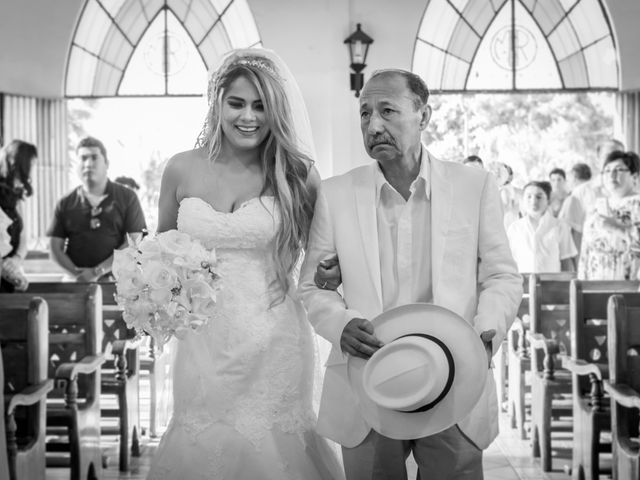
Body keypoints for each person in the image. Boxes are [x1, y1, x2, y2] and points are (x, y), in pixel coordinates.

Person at [299, 69, 522, 480]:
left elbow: (502, 277)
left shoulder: (474, 186)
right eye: (364, 114)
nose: (373, 125)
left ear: (425, 116)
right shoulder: (335, 194)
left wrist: (487, 331)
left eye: (387, 111)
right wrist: (341, 325)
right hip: (367, 378)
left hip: (454, 375)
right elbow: (313, 286)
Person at [148, 48, 343, 480]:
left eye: (261, 106)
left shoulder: (296, 173)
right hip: (203, 341)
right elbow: (161, 250)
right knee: (202, 437)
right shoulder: (180, 169)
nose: (248, 117)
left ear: (276, 111)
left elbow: (327, 255)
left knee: (276, 447)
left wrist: (333, 273)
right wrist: (150, 294)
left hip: (274, 335)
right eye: (237, 103)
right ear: (217, 102)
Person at [48, 136, 147, 282]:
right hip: (75, 281)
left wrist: (98, 271)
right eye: (83, 158)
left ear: (106, 163)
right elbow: (55, 249)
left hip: (117, 281)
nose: (88, 164)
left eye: (94, 157)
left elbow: (134, 241)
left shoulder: (127, 197)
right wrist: (78, 275)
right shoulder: (65, 203)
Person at [578, 150, 640, 280]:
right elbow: (585, 252)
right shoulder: (595, 208)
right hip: (596, 284)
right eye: (607, 171)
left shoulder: (637, 203)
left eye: (618, 170)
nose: (611, 175)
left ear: (634, 176)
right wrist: (582, 285)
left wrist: (619, 229)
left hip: (630, 284)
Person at [507, 180, 577, 273]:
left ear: (548, 200)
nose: (533, 201)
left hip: (552, 284)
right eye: (529, 196)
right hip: (522, 283)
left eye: (539, 197)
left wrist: (564, 285)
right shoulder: (515, 228)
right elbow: (509, 262)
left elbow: (566, 261)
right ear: (522, 199)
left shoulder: (560, 226)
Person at [0, 140, 37, 292]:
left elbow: (23, 239)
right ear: (14, 161)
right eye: (30, 165)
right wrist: (7, 270)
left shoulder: (18, 197)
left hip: (7, 275)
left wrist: (17, 260)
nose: (31, 171)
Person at [558, 162, 592, 251]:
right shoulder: (593, 188)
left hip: (578, 234)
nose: (568, 182)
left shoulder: (578, 191)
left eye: (569, 178)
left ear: (574, 177)